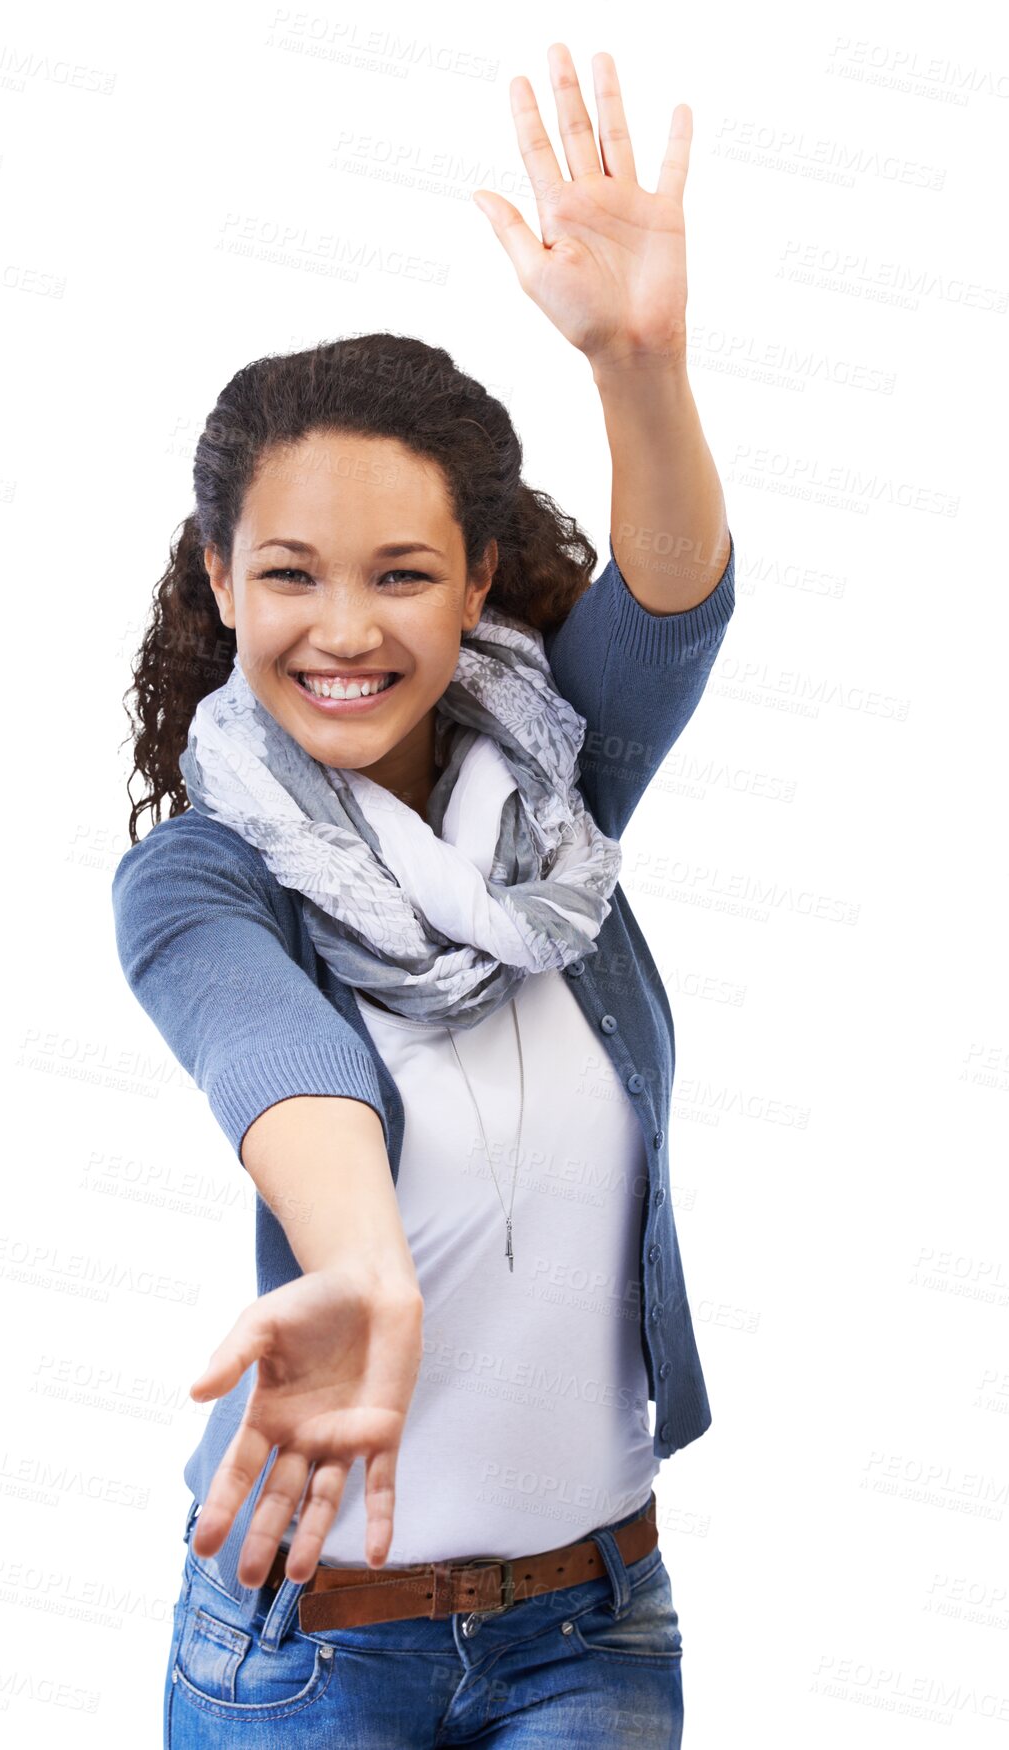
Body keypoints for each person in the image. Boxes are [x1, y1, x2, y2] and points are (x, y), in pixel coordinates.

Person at [112, 43, 736, 1748]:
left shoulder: (559, 796)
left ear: (475, 584)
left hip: (593, 1619)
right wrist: (363, 1264)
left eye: (401, 574)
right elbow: (282, 1067)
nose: (344, 629)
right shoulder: (198, 876)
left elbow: (672, 614)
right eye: (290, 573)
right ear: (222, 580)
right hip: (308, 1644)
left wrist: (641, 360)